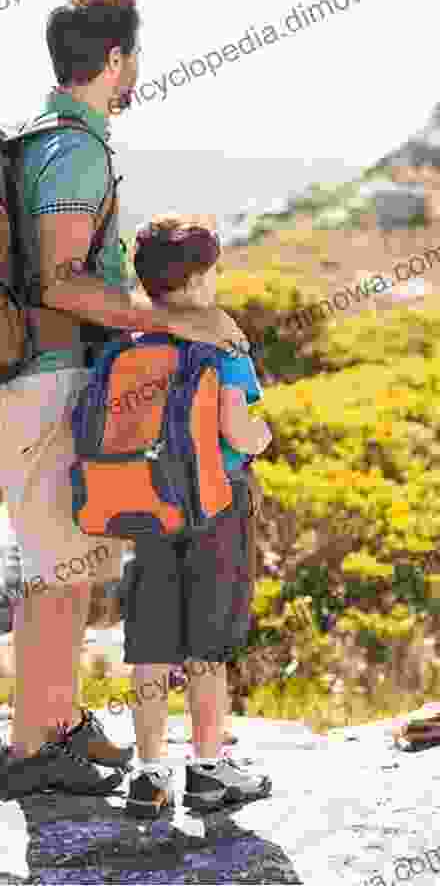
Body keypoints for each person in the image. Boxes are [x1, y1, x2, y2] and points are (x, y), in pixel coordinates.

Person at [0, 0, 251, 801]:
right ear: (113, 60)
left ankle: (56, 729)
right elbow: (62, 279)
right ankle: (33, 750)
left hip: (53, 375)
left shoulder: (54, 138)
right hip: (51, 374)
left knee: (64, 562)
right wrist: (178, 323)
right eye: (133, 57)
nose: (137, 70)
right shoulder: (72, 148)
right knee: (54, 568)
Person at [121, 217, 273, 817]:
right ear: (202, 277)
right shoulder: (223, 340)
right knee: (208, 643)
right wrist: (261, 435)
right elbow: (239, 429)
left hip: (150, 505)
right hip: (217, 505)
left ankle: (150, 775)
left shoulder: (133, 337)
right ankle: (209, 770)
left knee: (152, 645)